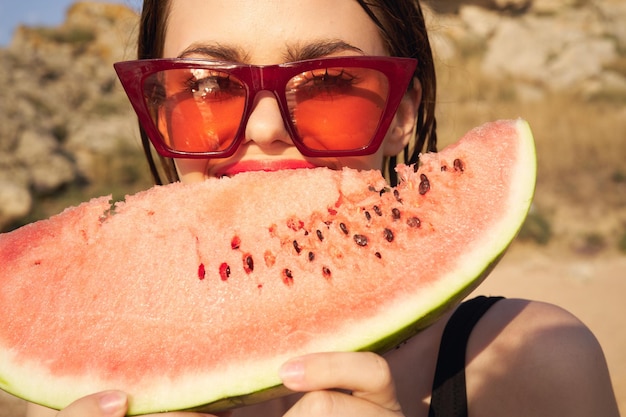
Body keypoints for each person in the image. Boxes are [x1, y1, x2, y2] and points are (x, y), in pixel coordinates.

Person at [27, 1, 620, 416]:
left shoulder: (533, 364)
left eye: (331, 81)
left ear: (402, 114)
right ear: (160, 113)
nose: (263, 127)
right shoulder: (73, 389)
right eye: (206, 85)